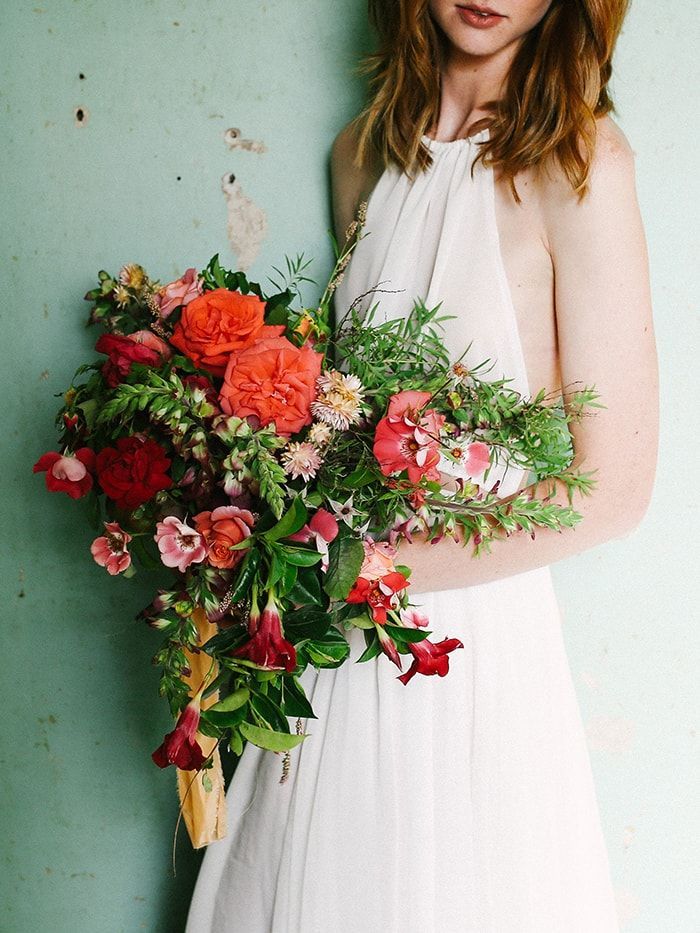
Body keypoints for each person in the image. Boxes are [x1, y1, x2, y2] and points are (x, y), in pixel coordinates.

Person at [186, 1, 658, 930]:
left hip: (473, 631)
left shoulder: (581, 161)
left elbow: (615, 491)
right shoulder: (359, 155)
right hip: (339, 621)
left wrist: (379, 572)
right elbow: (346, 412)